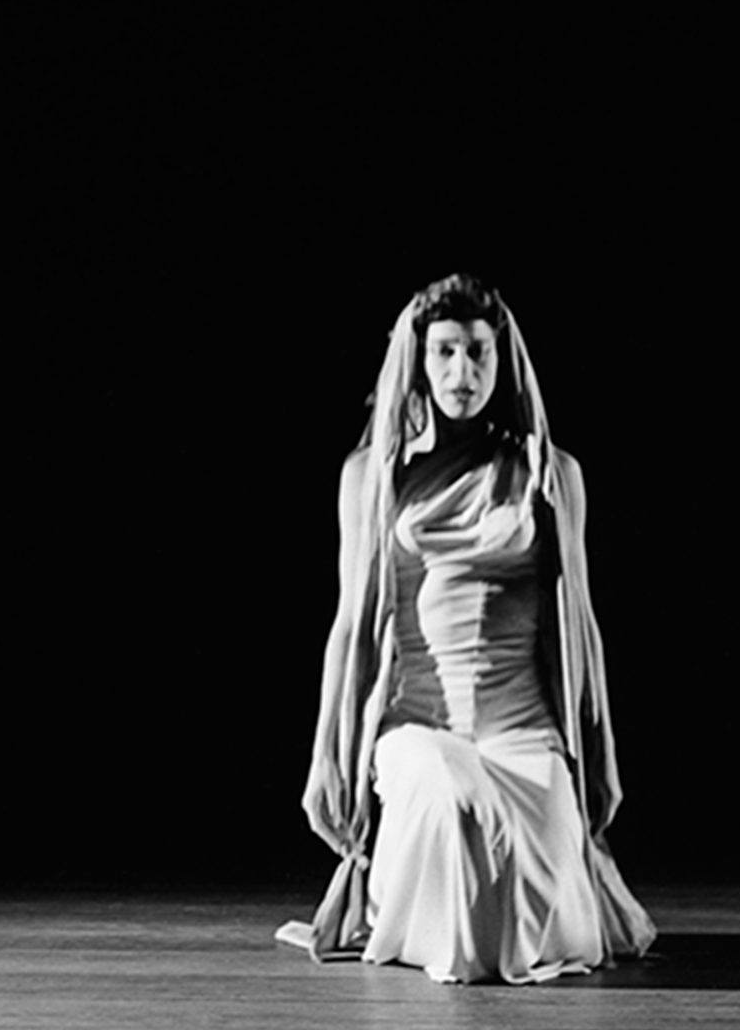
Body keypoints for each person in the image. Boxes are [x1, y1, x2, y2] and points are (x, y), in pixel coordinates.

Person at [279, 274, 655, 982]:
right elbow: (351, 625)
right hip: (421, 721)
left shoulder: (549, 474)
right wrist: (325, 753)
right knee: (456, 807)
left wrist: (601, 751)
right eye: (446, 352)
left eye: (478, 352)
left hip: (523, 726)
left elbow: (582, 622)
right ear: (419, 360)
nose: (463, 373)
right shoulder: (372, 476)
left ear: (501, 361)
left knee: (541, 882)